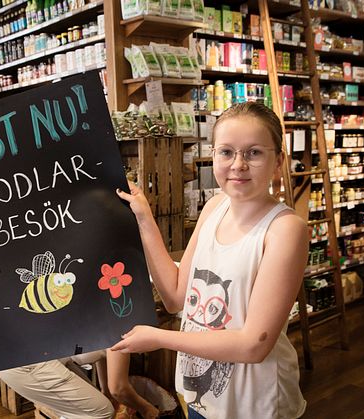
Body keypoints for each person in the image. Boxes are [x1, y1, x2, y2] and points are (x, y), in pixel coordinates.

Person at [112, 102, 309, 418]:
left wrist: (160, 338)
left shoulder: (285, 229)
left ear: (278, 161)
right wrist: (144, 218)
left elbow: (254, 346)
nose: (238, 164)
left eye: (254, 153)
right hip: (199, 393)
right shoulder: (214, 208)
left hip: (254, 402)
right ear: (213, 154)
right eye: (226, 152)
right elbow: (176, 298)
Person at [0, 351, 159, 419]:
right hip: (24, 363)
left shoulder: (114, 308)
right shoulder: (126, 319)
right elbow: (119, 389)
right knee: (100, 411)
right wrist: (148, 410)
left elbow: (107, 353)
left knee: (90, 407)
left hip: (31, 355)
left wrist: (107, 392)